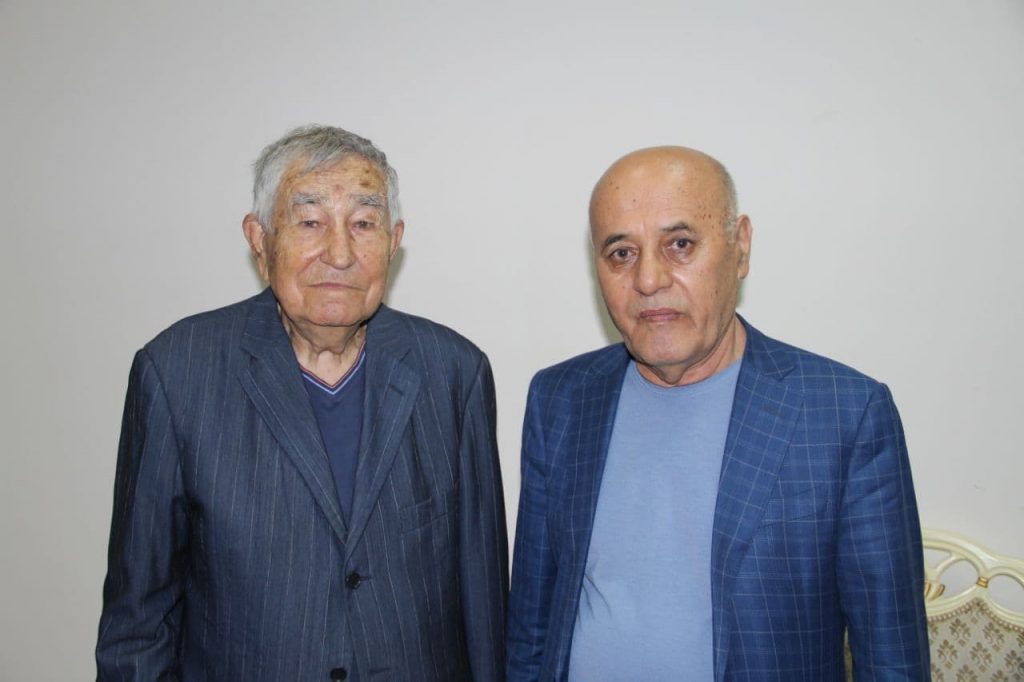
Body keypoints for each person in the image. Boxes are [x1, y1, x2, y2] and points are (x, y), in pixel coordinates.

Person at [96, 125, 508, 681]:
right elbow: (138, 623)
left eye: (363, 224)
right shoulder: (177, 373)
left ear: (393, 241)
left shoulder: (454, 373)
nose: (339, 253)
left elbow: (484, 608)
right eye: (310, 222)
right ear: (259, 239)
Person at [506, 146, 929, 681]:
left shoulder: (845, 414)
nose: (649, 279)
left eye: (680, 244)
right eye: (621, 253)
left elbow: (892, 658)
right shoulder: (561, 399)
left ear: (741, 246)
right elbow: (532, 626)